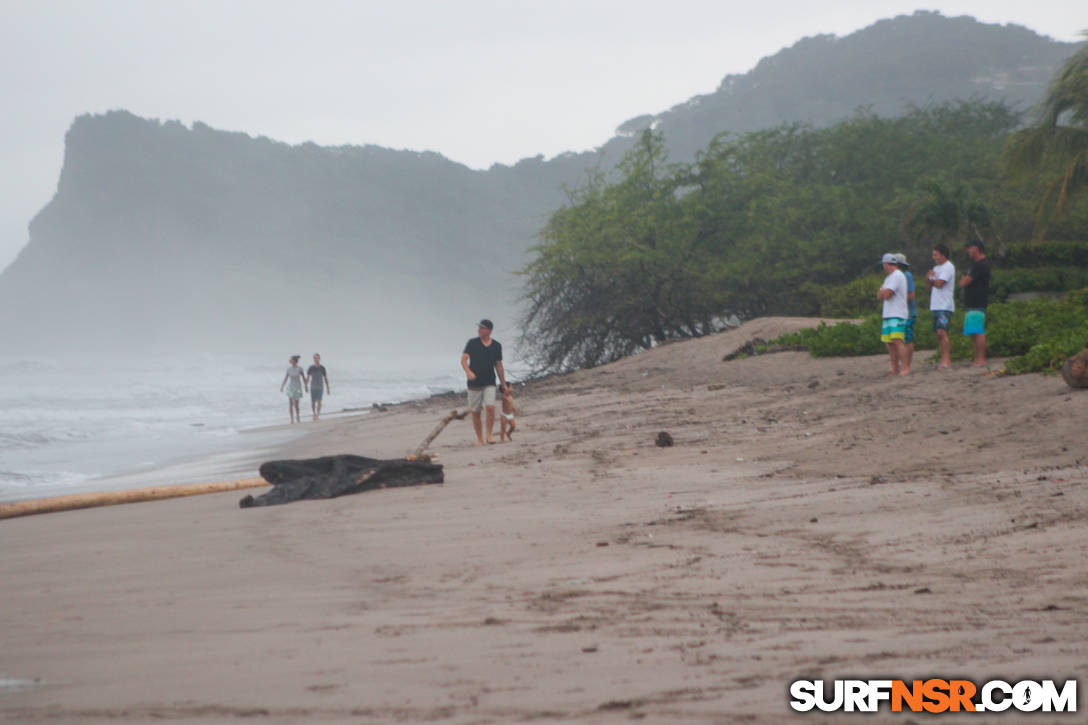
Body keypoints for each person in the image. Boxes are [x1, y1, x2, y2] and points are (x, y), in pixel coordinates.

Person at [460, 319, 507, 445]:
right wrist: (468, 372)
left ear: (489, 330)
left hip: (490, 381)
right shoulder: (472, 343)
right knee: (475, 411)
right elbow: (463, 360)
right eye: (479, 328)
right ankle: (480, 438)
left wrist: (503, 384)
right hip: (474, 384)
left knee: (490, 407)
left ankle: (489, 435)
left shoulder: (496, 345)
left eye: (482, 328)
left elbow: (499, 365)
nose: (479, 330)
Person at [877, 252, 910, 376]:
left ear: (886, 264)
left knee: (897, 340)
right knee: (889, 342)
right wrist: (883, 292)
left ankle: (905, 367)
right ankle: (894, 367)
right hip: (888, 313)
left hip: (897, 313)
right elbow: (879, 295)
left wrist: (883, 292)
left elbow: (886, 294)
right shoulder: (888, 278)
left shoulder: (897, 275)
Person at [959, 239, 991, 367]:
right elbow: (963, 280)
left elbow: (964, 282)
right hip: (970, 302)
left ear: (976, 248)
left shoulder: (981, 264)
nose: (968, 250)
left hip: (978, 301)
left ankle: (981, 358)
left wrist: (964, 280)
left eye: (969, 247)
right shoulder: (973, 264)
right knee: (972, 331)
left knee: (978, 330)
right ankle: (977, 357)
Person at [926, 243, 956, 369]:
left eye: (936, 255)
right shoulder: (936, 268)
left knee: (942, 331)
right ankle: (942, 358)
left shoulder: (948, 267)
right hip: (935, 306)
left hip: (945, 306)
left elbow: (939, 284)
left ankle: (946, 360)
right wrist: (928, 277)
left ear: (943, 255)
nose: (934, 257)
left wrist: (932, 278)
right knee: (938, 333)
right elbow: (928, 286)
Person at [894, 253, 917, 371]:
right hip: (901, 312)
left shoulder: (907, 275)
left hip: (909, 312)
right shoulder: (897, 276)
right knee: (899, 339)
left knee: (908, 339)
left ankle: (907, 364)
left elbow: (911, 295)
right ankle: (902, 363)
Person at [280, 355, 308, 424]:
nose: (289, 360)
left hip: (298, 387)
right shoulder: (289, 369)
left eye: (291, 359)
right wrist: (282, 386)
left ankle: (298, 416)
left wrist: (306, 386)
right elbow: (286, 378)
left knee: (296, 404)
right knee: (290, 403)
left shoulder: (299, 369)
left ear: (294, 361)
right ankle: (292, 418)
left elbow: (303, 378)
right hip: (291, 387)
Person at [307, 353, 330, 421]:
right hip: (313, 386)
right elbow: (308, 377)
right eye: (314, 358)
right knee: (313, 402)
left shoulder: (322, 368)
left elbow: (325, 378)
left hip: (320, 386)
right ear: (313, 359)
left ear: (319, 358)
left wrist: (328, 387)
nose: (316, 359)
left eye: (317, 358)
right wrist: (306, 385)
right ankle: (314, 413)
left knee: (319, 401)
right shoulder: (311, 368)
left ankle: (318, 414)